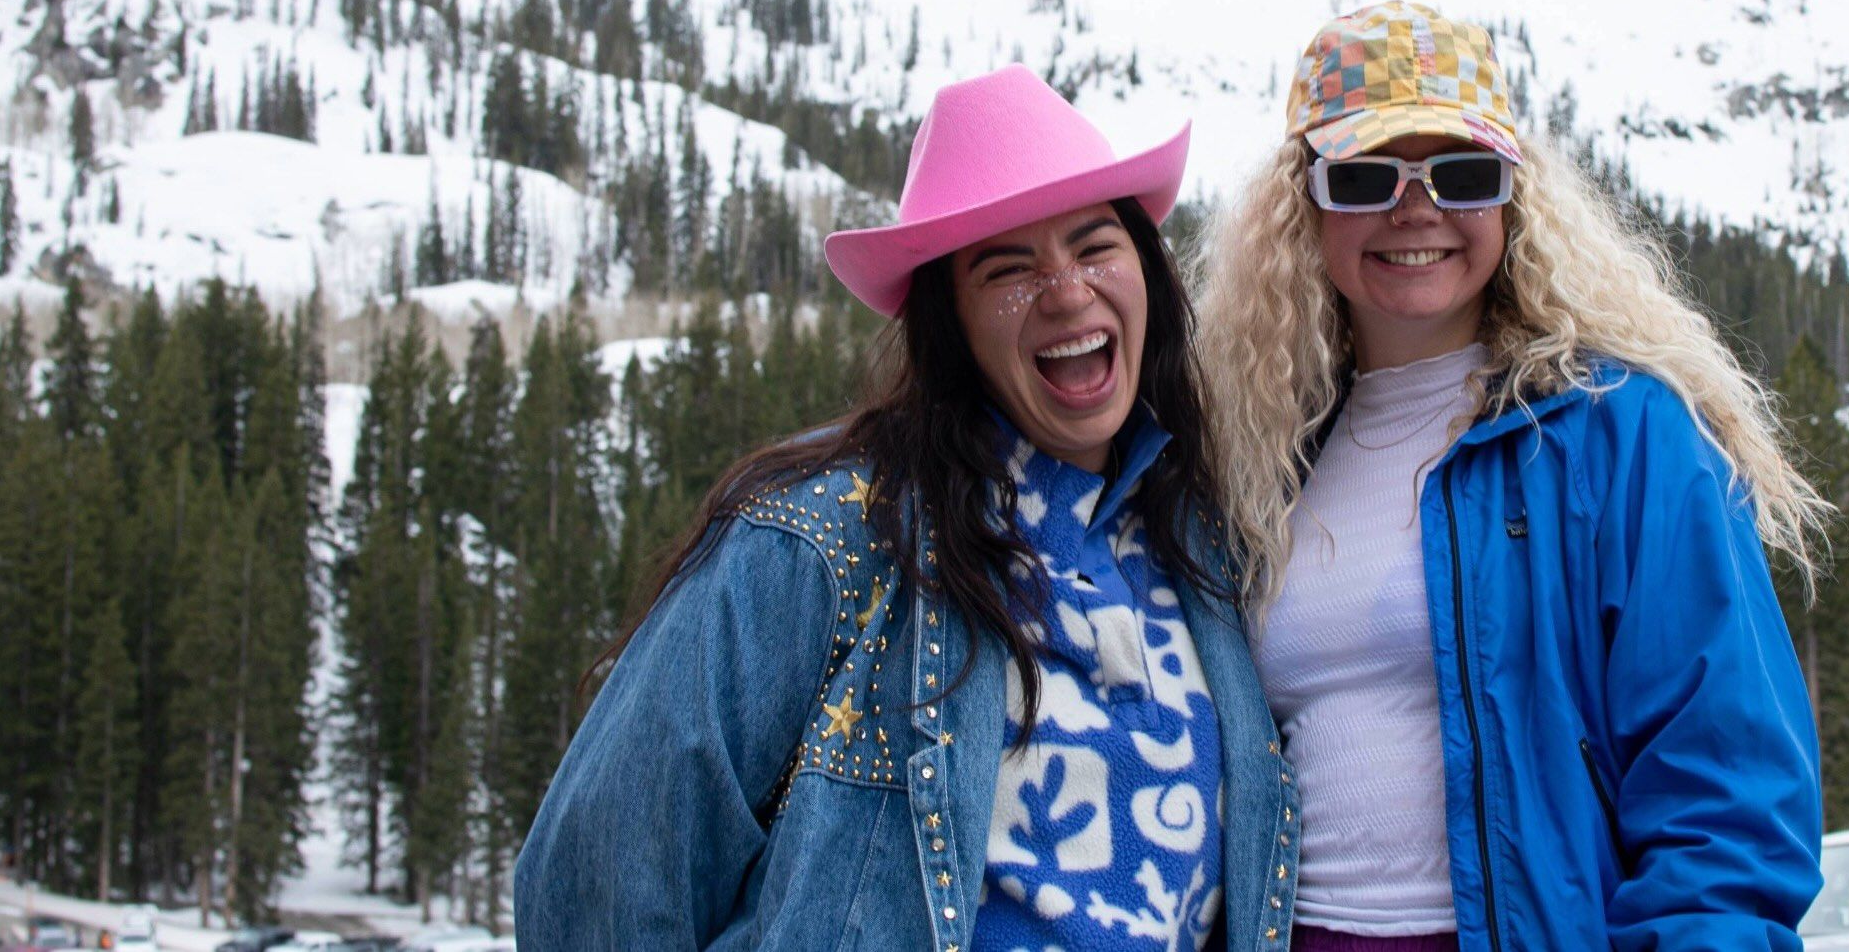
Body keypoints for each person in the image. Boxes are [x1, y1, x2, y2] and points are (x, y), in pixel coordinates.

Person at [515, 65, 1299, 951]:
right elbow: (598, 881)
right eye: (1009, 268)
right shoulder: (818, 543)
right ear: (951, 324)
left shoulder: (1202, 540)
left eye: (1093, 245)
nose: (1068, 291)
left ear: (1146, 271)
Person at [1195, 2, 1827, 952]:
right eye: (1366, 177)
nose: (1416, 209)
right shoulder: (1260, 461)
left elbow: (1727, 799)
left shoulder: (1624, 434)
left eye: (1462, 172)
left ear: (1513, 197)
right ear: (1306, 208)